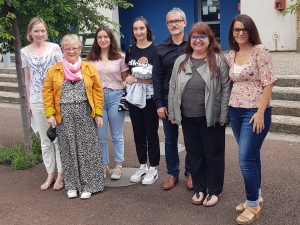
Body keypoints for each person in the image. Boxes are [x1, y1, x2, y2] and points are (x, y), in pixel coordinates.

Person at [168, 22, 231, 207]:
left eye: (202, 36)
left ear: (209, 39)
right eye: (194, 37)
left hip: (211, 118)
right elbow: (172, 87)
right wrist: (173, 112)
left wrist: (223, 115)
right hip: (188, 118)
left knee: (213, 154)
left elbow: (226, 88)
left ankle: (214, 190)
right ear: (190, 40)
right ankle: (199, 188)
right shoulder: (181, 61)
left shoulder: (218, 60)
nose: (198, 40)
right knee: (194, 154)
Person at [42, 34, 105, 199]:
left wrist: (98, 113)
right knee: (68, 149)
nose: (71, 51)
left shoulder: (89, 68)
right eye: (67, 48)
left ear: (80, 49)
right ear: (62, 50)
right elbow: (47, 92)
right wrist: (50, 114)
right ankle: (72, 185)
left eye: (75, 48)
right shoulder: (54, 70)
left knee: (87, 150)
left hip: (85, 112)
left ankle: (89, 185)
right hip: (63, 115)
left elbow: (98, 91)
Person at [228, 14, 276, 224]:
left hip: (254, 112)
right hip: (235, 111)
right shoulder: (233, 53)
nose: (240, 33)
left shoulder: (260, 51)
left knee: (245, 159)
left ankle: (253, 205)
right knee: (252, 156)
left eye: (243, 29)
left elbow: (268, 83)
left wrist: (260, 111)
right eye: (236, 30)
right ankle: (256, 196)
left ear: (251, 31)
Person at [21, 17, 64, 191]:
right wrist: (29, 101)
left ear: (46, 32)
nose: (40, 34)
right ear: (30, 32)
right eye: (36, 31)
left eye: (42, 31)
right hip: (37, 101)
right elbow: (27, 78)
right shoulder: (24, 52)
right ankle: (50, 174)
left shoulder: (54, 48)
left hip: (55, 99)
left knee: (58, 139)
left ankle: (61, 175)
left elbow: (62, 72)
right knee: (45, 141)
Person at [152, 7, 192, 190]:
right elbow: (157, 77)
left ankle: (191, 173)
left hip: (191, 98)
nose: (174, 24)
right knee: (170, 139)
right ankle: (172, 174)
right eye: (170, 22)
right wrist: (159, 103)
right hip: (168, 99)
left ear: (185, 23)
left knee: (192, 138)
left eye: (177, 21)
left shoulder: (194, 44)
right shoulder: (159, 48)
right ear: (167, 25)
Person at [87, 26, 129, 180]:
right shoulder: (90, 58)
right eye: (99, 37)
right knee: (100, 134)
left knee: (117, 134)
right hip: (97, 99)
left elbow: (125, 80)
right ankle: (104, 164)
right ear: (96, 40)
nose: (103, 40)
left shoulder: (120, 57)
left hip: (116, 96)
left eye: (106, 37)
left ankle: (118, 166)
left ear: (111, 39)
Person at [124, 17, 160, 185]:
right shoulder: (130, 50)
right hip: (133, 99)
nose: (138, 32)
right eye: (135, 29)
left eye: (141, 28)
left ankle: (153, 168)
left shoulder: (155, 50)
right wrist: (128, 81)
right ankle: (142, 166)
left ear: (147, 30)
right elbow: (127, 74)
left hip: (149, 98)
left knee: (151, 133)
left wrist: (137, 80)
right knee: (138, 134)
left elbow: (157, 78)